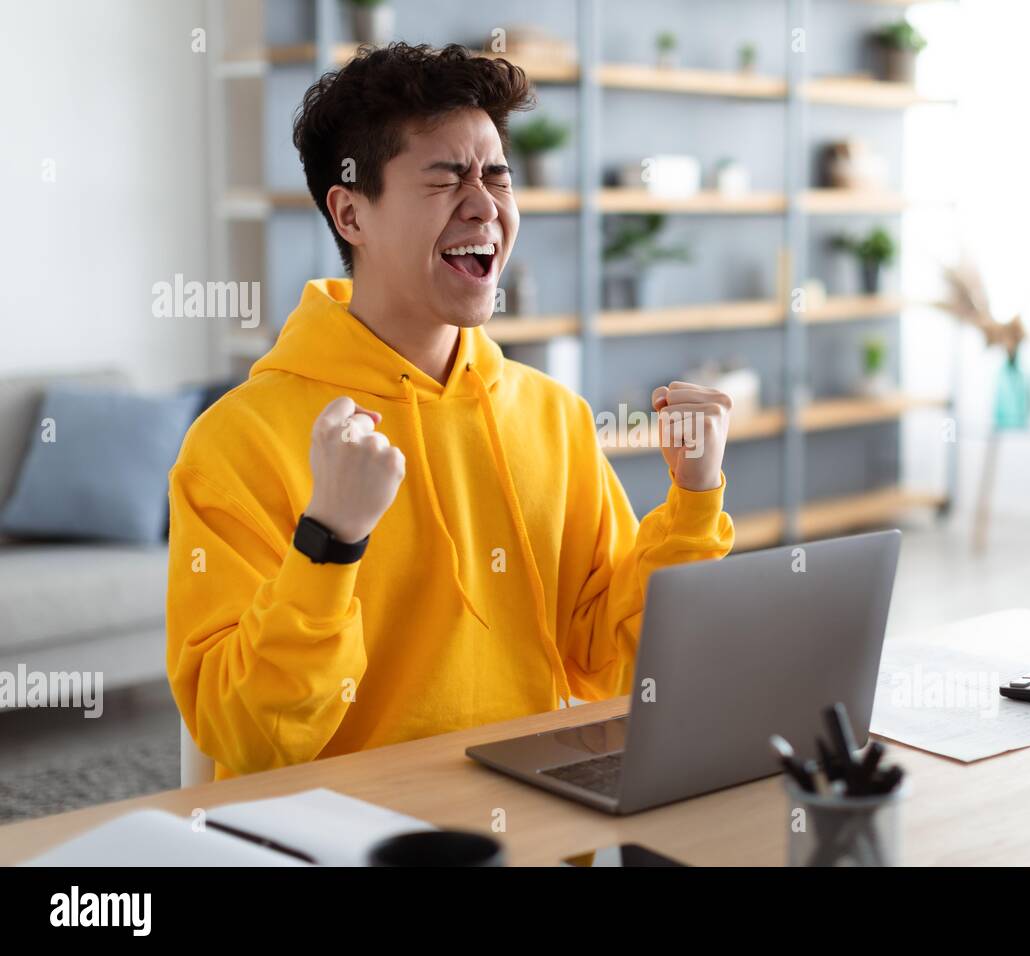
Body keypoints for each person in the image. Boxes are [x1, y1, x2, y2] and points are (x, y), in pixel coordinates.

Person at [166, 43, 735, 780]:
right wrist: (329, 540)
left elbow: (616, 670)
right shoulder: (237, 441)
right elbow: (245, 735)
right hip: (335, 840)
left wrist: (692, 505)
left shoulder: (551, 416)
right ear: (351, 213)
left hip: (533, 828)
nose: (484, 204)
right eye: (445, 178)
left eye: (497, 175)